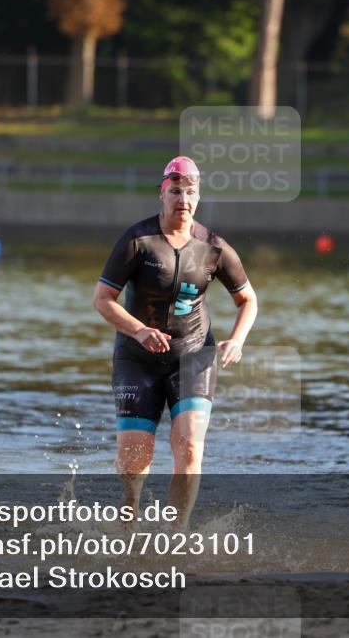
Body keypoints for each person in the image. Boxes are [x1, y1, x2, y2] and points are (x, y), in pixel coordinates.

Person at [93, 156, 258, 529]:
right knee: (135, 460)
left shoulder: (215, 248)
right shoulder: (138, 241)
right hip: (137, 358)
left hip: (194, 356)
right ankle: (130, 505)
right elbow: (102, 300)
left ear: (198, 198)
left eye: (190, 192)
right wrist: (138, 331)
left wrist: (237, 340)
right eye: (176, 191)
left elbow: (248, 299)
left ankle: (175, 534)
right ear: (162, 194)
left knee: (189, 446)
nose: (183, 198)